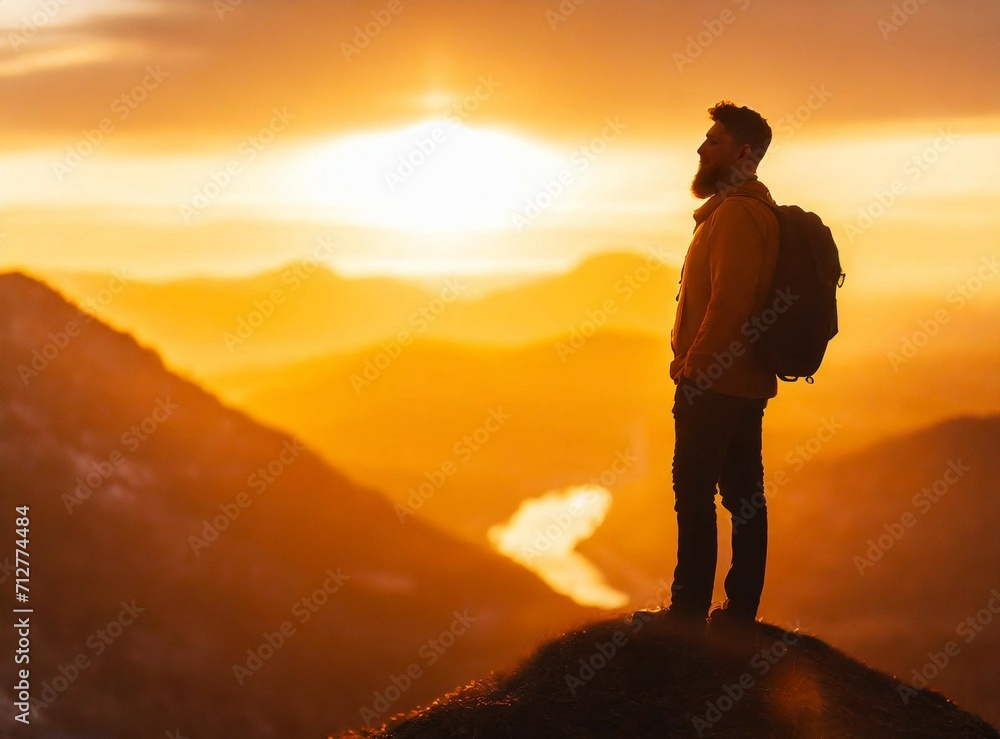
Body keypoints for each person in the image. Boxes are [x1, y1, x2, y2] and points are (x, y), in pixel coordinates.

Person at [665, 101, 780, 626]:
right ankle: (738, 612)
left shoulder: (735, 215)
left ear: (744, 153)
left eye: (713, 140)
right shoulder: (750, 211)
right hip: (743, 380)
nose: (701, 148)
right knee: (743, 495)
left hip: (716, 381)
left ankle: (688, 611)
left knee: (694, 492)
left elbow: (729, 302)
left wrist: (693, 368)